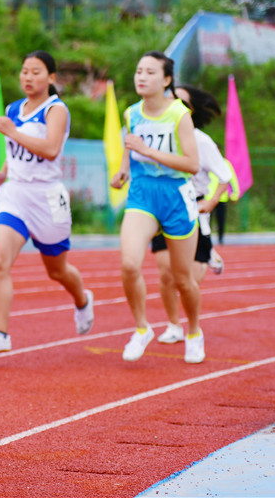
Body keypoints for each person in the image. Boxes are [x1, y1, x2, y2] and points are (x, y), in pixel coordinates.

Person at [0, 50, 94, 355]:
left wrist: (13, 132)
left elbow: (51, 149)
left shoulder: (56, 110)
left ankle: (82, 299)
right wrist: (3, 173)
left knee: (57, 271)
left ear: (51, 78)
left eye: (36, 72)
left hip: (47, 198)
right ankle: (1, 333)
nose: (28, 77)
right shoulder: (14, 108)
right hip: (16, 195)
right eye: (25, 71)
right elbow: (14, 152)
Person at [110, 51, 203, 363]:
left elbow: (192, 164)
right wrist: (124, 168)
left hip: (175, 195)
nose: (141, 77)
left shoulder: (179, 115)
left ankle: (193, 331)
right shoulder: (130, 114)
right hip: (142, 193)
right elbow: (130, 145)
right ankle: (141, 328)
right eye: (138, 71)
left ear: (166, 80)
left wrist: (148, 151)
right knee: (129, 264)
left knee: (182, 278)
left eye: (150, 72)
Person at [153, 85, 234, 345]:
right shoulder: (160, 134)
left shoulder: (200, 140)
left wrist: (210, 202)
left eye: (178, 99)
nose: (171, 101)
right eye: (169, 96)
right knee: (166, 274)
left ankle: (192, 328)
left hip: (194, 212)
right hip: (165, 211)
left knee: (187, 280)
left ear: (191, 110)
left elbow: (224, 175)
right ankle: (174, 325)